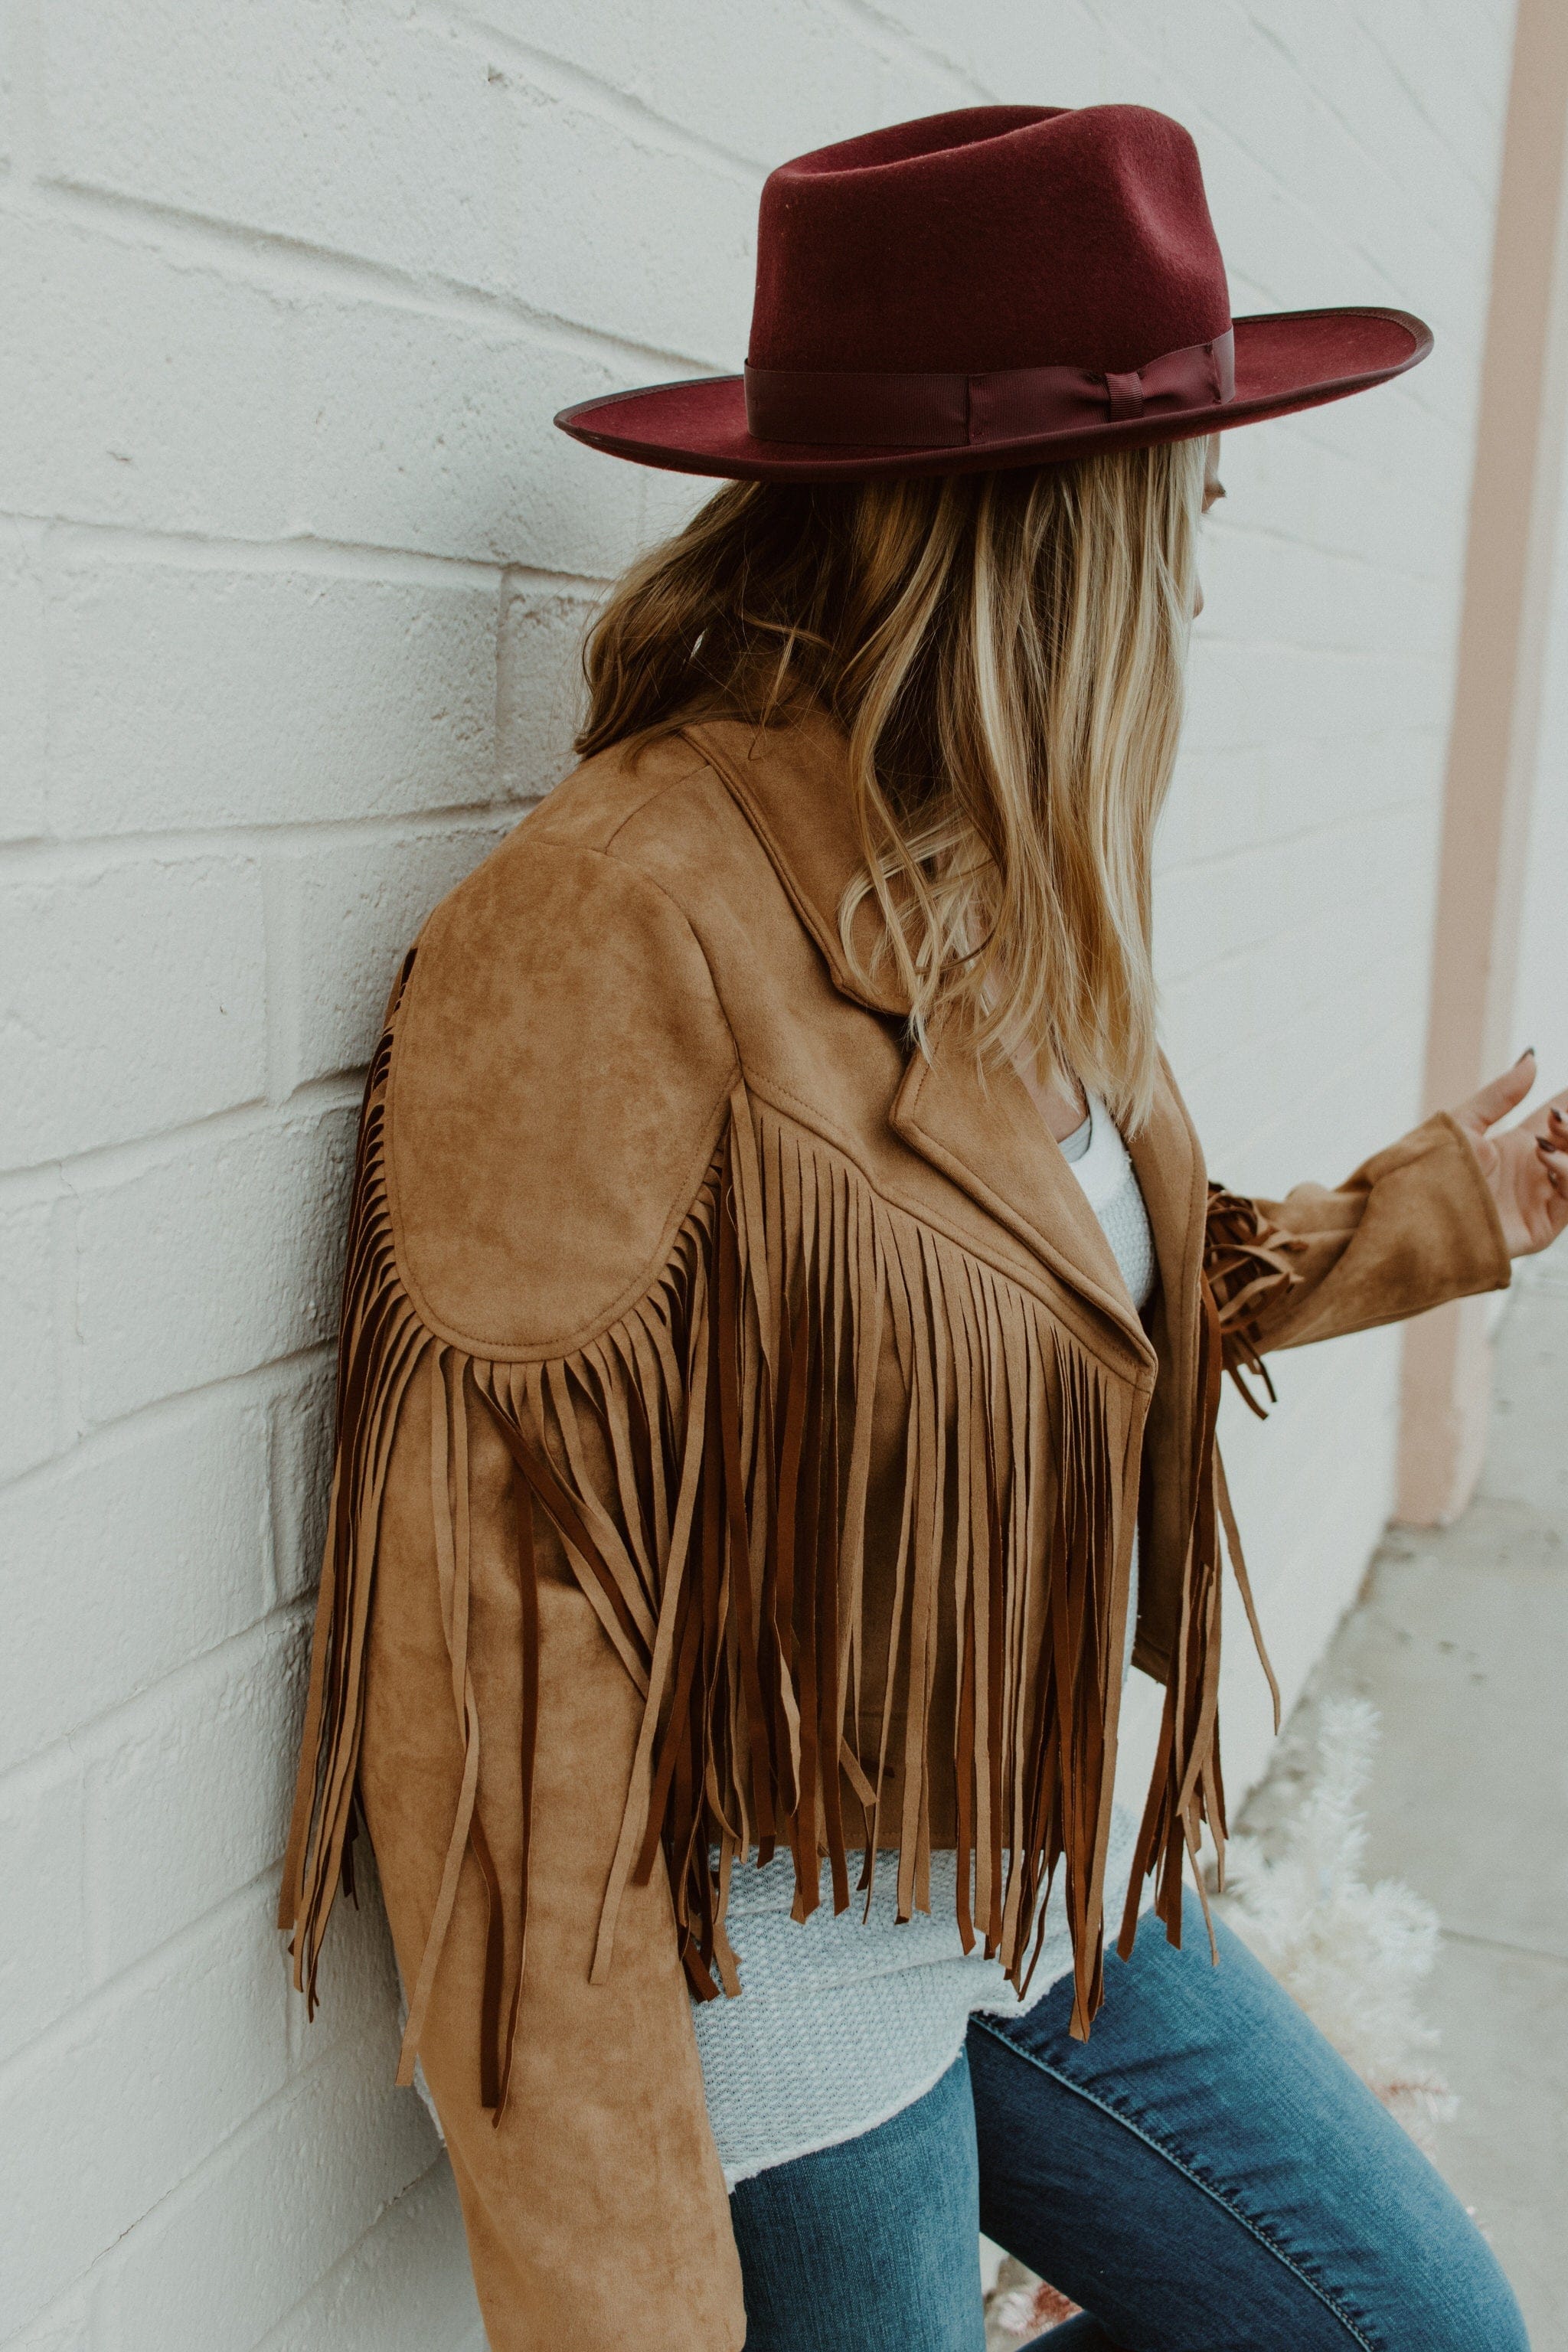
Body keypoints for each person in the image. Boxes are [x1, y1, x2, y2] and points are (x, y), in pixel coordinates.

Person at [279, 105, 1561, 2350]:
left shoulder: (975, 857)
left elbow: (1015, 1313)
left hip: (1017, 1861)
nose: (1196, 561)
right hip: (768, 1967)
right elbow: (505, 1715)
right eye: (1187, 501)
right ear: (1050, 537)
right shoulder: (608, 935)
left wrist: (1430, 1218)